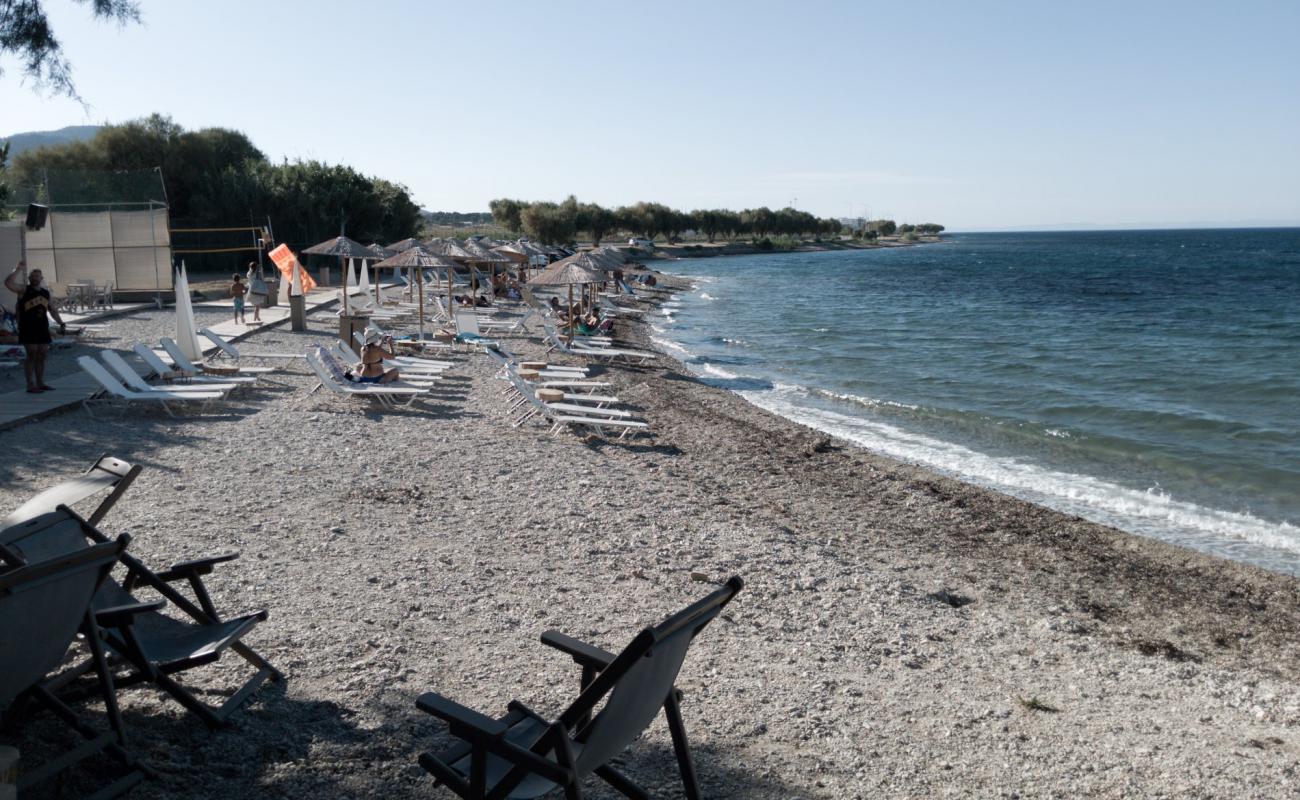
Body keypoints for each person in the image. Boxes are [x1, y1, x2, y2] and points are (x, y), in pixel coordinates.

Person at [4, 260, 66, 393]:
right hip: (28, 327)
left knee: (42, 355)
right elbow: (8, 283)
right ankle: (30, 385)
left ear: (41, 278)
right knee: (31, 354)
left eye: (37, 276)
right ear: (29, 278)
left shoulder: (45, 293)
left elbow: (52, 310)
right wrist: (17, 270)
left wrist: (61, 323)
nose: (35, 278)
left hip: (42, 327)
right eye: (33, 276)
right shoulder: (23, 289)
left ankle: (41, 382)